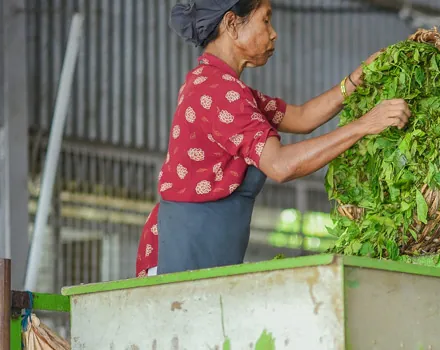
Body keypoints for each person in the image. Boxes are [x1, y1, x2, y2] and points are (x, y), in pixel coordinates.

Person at [135, 0, 411, 277]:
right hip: (182, 249)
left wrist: (358, 78)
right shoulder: (216, 90)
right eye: (265, 20)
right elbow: (280, 165)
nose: (273, 32)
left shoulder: (225, 87)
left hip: (206, 249)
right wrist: (364, 125)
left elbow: (302, 118)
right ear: (232, 24)